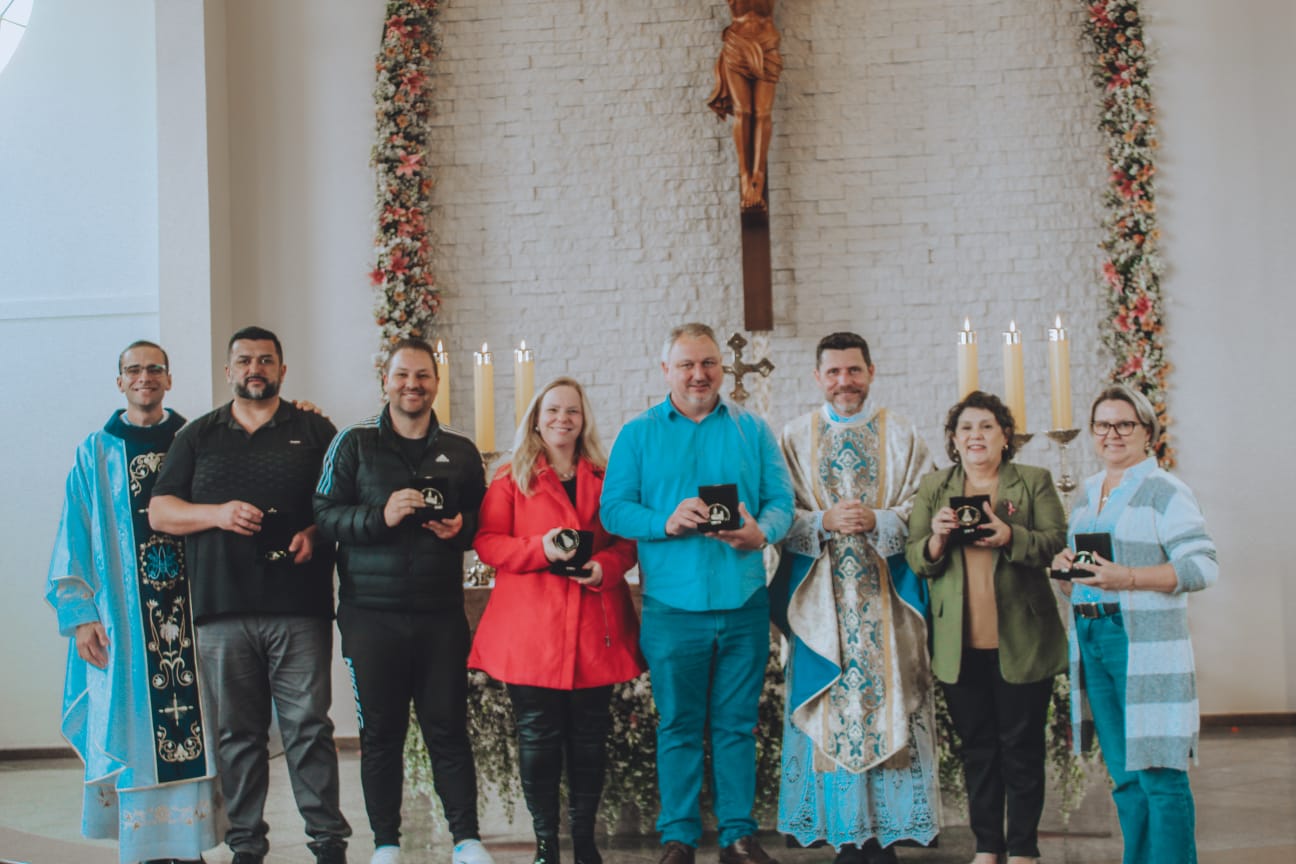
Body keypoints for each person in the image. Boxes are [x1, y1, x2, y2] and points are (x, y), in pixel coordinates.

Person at [150, 326, 350, 864]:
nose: (254, 368)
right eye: (244, 360)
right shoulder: (197, 435)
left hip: (299, 608)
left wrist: (316, 533)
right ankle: (246, 845)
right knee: (237, 735)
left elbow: (344, 504)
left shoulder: (315, 429)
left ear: (283, 370)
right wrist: (217, 513)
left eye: (266, 360)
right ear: (228, 371)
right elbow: (160, 510)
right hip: (221, 610)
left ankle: (327, 843)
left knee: (308, 728)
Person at [601, 322, 794, 864]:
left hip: (742, 602)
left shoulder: (752, 430)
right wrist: (664, 519)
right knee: (679, 724)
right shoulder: (638, 434)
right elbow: (613, 509)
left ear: (722, 368)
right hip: (672, 607)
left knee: (737, 723)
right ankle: (679, 837)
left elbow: (782, 500)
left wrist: (763, 532)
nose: (699, 374)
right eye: (686, 364)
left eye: (708, 363)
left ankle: (738, 833)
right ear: (666, 370)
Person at [313, 338, 491, 864]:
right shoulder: (353, 443)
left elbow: (486, 522)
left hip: (440, 615)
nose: (412, 385)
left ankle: (467, 840)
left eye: (422, 376)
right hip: (371, 617)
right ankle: (387, 844)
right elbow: (324, 515)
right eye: (402, 375)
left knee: (448, 730)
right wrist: (379, 516)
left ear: (437, 382)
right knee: (382, 736)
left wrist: (462, 528)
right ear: (385, 380)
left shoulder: (460, 450)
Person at [46, 340, 220, 864]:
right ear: (119, 381)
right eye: (133, 370)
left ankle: (188, 845)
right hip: (122, 623)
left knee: (201, 727)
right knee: (131, 727)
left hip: (193, 615)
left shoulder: (198, 443)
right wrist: (80, 618)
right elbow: (72, 537)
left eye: (154, 369)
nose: (144, 377)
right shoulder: (95, 451)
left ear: (169, 379)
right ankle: (143, 847)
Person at [771, 332, 939, 864]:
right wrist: (819, 521)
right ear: (818, 377)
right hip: (821, 604)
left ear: (871, 371)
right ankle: (845, 831)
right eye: (834, 372)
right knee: (833, 701)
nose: (845, 382)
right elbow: (775, 513)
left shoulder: (902, 435)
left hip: (885, 602)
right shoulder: (795, 437)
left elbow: (928, 505)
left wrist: (883, 519)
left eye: (854, 371)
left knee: (886, 698)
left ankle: (887, 831)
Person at [469, 377, 645, 864]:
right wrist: (539, 548)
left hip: (593, 624)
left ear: (584, 418)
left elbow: (626, 543)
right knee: (538, 735)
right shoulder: (511, 477)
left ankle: (584, 843)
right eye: (552, 410)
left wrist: (603, 569)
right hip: (531, 630)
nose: (562, 419)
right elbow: (487, 542)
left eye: (572, 411)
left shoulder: (608, 477)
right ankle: (547, 844)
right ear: (536, 417)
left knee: (590, 736)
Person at [1050, 385, 1217, 864]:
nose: (1113, 434)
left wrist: (1129, 577)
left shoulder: (1166, 491)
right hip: (1092, 637)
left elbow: (1203, 566)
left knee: (1160, 772)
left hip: (1142, 641)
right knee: (1125, 774)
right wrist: (1065, 572)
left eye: (1125, 424)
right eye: (1103, 424)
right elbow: (1082, 581)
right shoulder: (1086, 495)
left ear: (1148, 432)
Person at [906, 391, 1068, 864]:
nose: (976, 435)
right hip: (959, 643)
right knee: (977, 749)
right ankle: (987, 846)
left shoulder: (1033, 481)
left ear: (1005, 436)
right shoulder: (935, 486)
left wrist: (1010, 536)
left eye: (986, 427)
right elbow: (917, 556)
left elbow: (1058, 541)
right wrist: (937, 538)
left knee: (1022, 748)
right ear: (954, 441)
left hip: (1023, 639)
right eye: (966, 429)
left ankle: (1022, 847)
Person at [706, 0, 781, 210]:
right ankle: (745, 178)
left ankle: (759, 176)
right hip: (737, 45)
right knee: (743, 111)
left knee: (763, 112)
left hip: (767, 45)